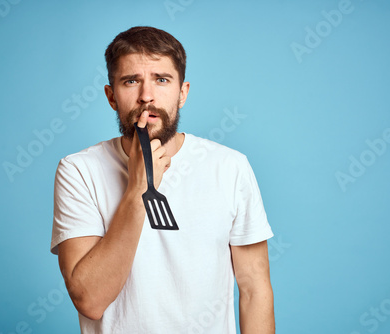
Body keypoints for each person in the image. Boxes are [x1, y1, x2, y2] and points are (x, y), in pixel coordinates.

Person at [51, 26, 275, 333]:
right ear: (111, 96)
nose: (147, 96)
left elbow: (254, 289)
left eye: (162, 79)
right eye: (131, 81)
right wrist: (137, 189)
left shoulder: (230, 167)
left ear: (182, 93)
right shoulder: (78, 171)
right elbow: (89, 300)